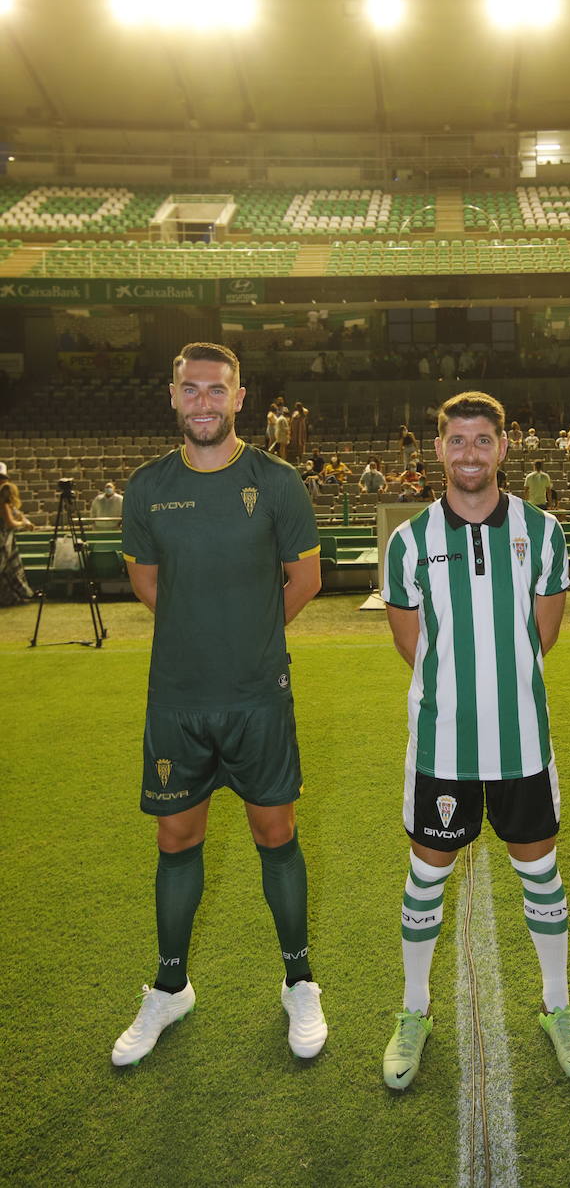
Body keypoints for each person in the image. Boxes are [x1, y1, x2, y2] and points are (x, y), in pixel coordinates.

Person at [112, 342, 327, 1068]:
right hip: (177, 697)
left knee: (276, 831)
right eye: (191, 389)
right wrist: (203, 637)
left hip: (257, 697)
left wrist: (248, 640)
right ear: (173, 396)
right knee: (176, 839)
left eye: (216, 390)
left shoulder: (277, 482)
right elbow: (148, 583)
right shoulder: (147, 487)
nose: (203, 401)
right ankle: (170, 988)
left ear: (240, 398)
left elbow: (304, 579)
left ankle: (299, 981)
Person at [380, 391, 570, 1090]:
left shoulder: (545, 531)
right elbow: (413, 645)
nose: (469, 453)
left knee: (541, 873)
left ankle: (558, 1006)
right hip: (442, 745)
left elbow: (543, 636)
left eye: (482, 440)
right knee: (426, 877)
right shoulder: (408, 541)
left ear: (503, 447)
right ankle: (414, 1012)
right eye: (457, 440)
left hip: (522, 742)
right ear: (439, 450)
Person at [0, 464, 34, 606]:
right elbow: (10, 523)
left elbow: (18, 515)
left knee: (10, 570)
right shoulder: (2, 502)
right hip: (2, 541)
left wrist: (25, 522)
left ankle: (15, 597)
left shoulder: (7, 501)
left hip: (7, 541)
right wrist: (23, 524)